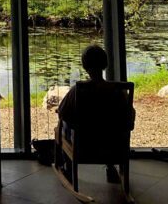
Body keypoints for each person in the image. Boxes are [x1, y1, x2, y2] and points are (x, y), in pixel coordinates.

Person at [57, 44, 135, 183]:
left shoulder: (78, 90)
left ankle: (68, 169)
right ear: (105, 64)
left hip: (85, 145)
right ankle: (111, 165)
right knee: (109, 127)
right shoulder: (119, 91)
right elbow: (129, 118)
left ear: (85, 66)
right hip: (112, 145)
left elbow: (63, 113)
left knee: (62, 124)